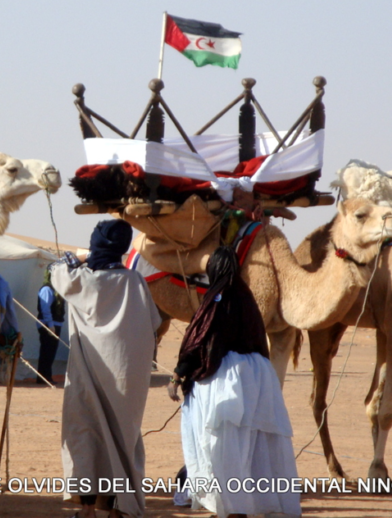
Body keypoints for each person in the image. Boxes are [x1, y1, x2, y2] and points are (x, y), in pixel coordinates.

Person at [169, 246, 300, 518]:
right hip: (259, 376)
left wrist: (179, 373)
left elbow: (201, 339)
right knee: (254, 447)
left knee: (223, 445)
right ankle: (241, 506)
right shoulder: (246, 295)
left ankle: (231, 509)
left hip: (227, 379)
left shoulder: (217, 298)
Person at [51, 219, 162, 518]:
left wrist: (81, 256)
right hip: (127, 379)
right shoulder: (135, 281)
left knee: (86, 434)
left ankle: (87, 509)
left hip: (89, 376)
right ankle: (117, 509)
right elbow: (153, 323)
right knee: (121, 438)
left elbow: (56, 269)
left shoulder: (84, 279)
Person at [36, 265, 64, 385]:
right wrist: (50, 325)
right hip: (48, 325)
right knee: (47, 352)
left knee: (51, 352)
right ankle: (43, 378)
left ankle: (46, 376)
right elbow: (45, 309)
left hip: (55, 324)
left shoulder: (56, 289)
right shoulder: (47, 289)